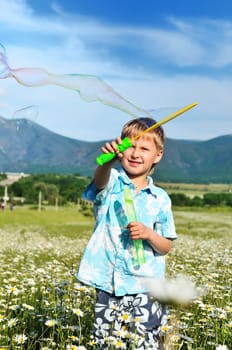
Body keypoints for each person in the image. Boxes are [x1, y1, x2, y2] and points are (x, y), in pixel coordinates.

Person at [76, 117, 177, 349]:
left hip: (146, 287)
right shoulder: (111, 182)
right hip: (109, 284)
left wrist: (150, 235)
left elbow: (166, 246)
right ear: (120, 149)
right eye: (130, 145)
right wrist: (106, 162)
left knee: (145, 343)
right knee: (107, 342)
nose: (135, 153)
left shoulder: (160, 198)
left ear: (158, 156)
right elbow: (100, 181)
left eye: (144, 148)